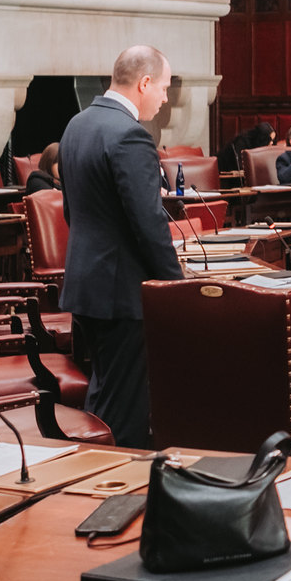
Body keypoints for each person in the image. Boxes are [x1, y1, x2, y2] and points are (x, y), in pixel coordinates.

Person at [58, 45, 183, 448]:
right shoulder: (130, 135)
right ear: (144, 83)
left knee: (104, 393)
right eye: (163, 88)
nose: (164, 98)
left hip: (88, 285)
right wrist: (176, 287)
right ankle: (120, 491)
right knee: (126, 408)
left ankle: (93, 482)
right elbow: (149, 226)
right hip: (124, 292)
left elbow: (71, 214)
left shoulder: (77, 124)